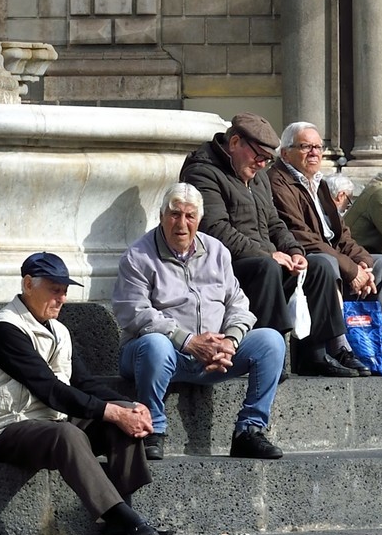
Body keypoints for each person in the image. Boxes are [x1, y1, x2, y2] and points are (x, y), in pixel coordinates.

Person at [0, 251, 167, 535]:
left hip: (50, 421)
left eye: (64, 291)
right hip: (6, 430)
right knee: (69, 433)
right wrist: (111, 412)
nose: (61, 299)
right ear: (28, 284)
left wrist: (131, 407)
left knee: (122, 414)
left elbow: (85, 382)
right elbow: (48, 388)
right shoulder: (1, 330)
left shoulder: (60, 330)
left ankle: (122, 516)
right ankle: (122, 519)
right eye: (54, 290)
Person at [181, 112, 367, 377]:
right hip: (224, 267)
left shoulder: (257, 176)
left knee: (320, 266)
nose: (262, 164)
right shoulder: (203, 173)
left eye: (268, 159)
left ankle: (314, 355)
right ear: (235, 143)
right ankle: (271, 357)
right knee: (266, 267)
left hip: (264, 258)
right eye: (258, 156)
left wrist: (294, 252)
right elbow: (215, 230)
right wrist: (270, 253)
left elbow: (275, 223)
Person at [113, 184, 288, 459]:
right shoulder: (138, 256)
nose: (181, 224)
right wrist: (189, 341)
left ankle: (249, 430)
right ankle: (152, 429)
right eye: (174, 215)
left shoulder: (217, 251)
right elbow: (134, 313)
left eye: (189, 216)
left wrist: (230, 341)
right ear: (161, 216)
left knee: (271, 341)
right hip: (158, 354)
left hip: (215, 353)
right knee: (155, 344)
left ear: (199, 220)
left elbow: (238, 303)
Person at [271, 121, 382, 350]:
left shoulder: (319, 183)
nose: (314, 153)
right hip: (307, 256)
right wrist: (351, 269)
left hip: (336, 255)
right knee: (328, 264)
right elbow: (301, 235)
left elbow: (343, 234)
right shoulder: (278, 182)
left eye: (318, 147)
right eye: (306, 146)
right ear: (286, 154)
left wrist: (364, 265)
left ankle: (381, 348)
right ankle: (341, 348)